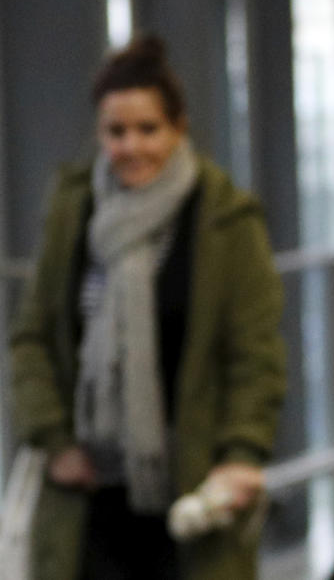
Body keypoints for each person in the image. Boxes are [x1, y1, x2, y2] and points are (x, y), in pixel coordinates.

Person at [8, 36, 285, 580]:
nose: (131, 146)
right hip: (87, 497)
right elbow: (32, 336)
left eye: (147, 129)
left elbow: (255, 354)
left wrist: (242, 451)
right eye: (116, 131)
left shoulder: (226, 220)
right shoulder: (74, 211)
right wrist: (55, 440)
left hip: (192, 494)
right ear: (99, 134)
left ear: (179, 127)